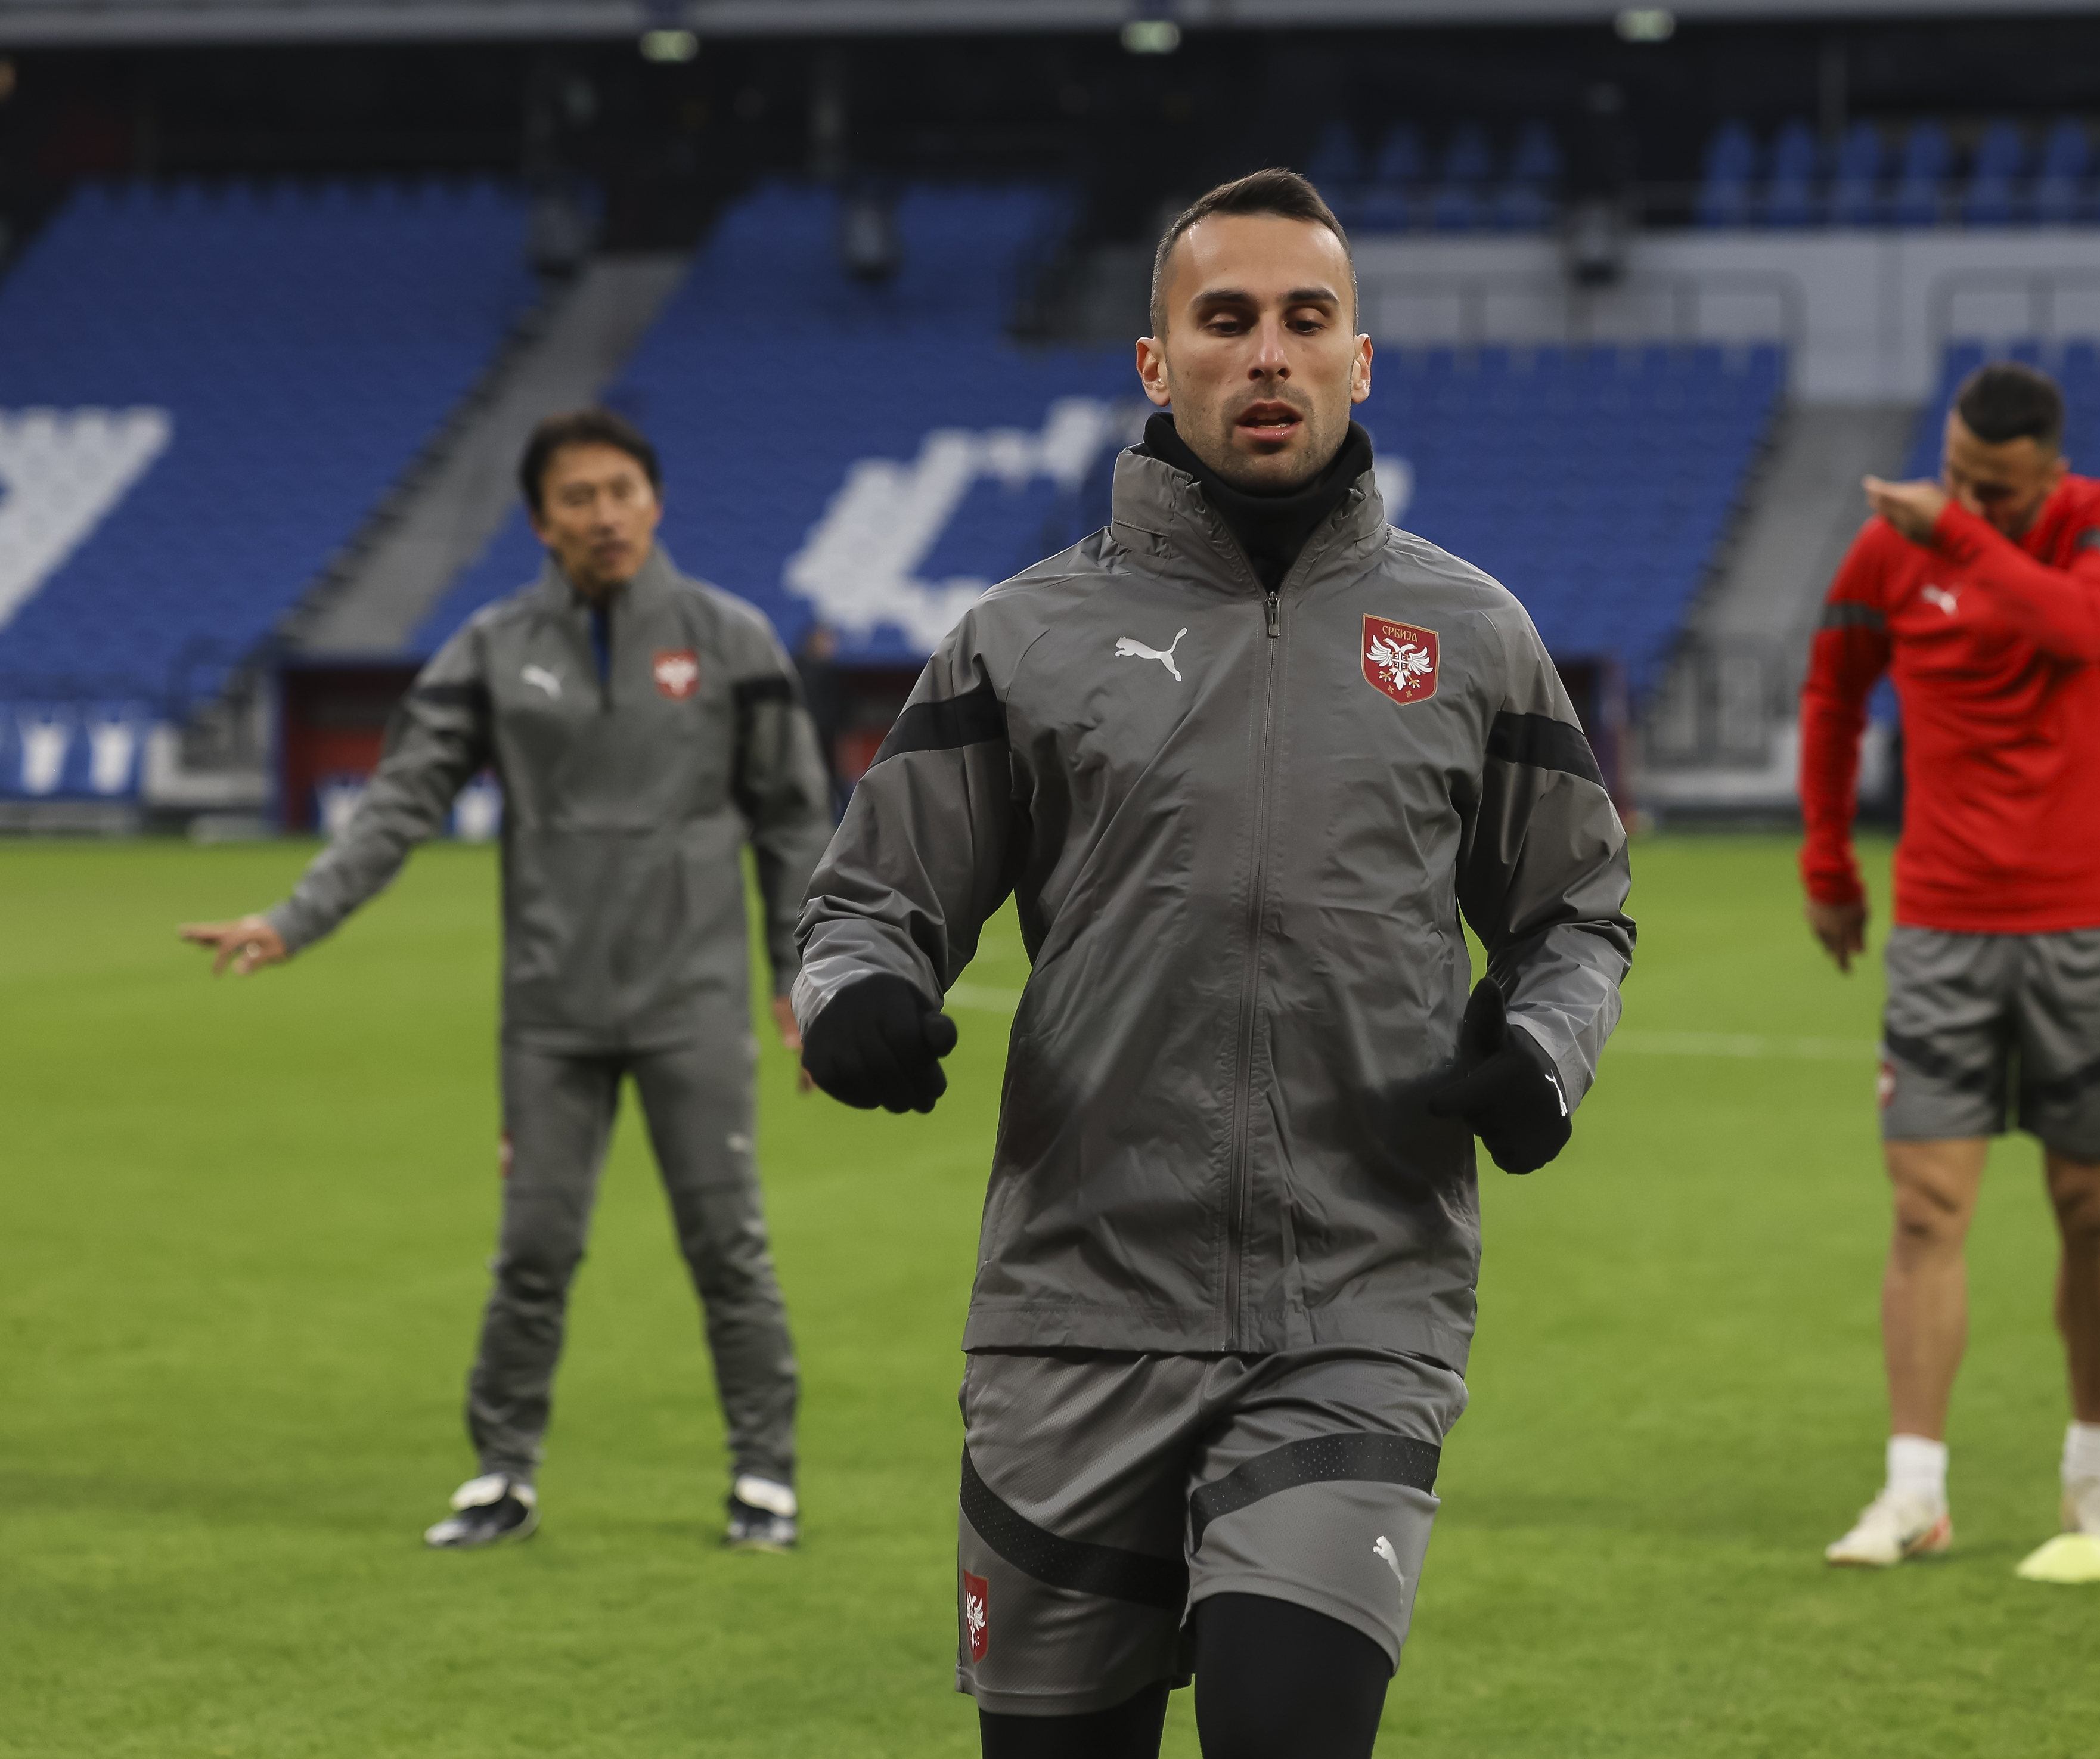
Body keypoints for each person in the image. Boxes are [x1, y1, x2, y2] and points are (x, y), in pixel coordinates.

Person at [793, 169, 1633, 1758]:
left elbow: (1574, 911)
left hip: (1354, 1301)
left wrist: (1541, 1049)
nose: (1266, 353)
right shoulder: (1021, 635)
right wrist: (857, 1001)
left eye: (1303, 320)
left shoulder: (1470, 634)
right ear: (1153, 359)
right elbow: (869, 899)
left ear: (1358, 358)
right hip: (1070, 1315)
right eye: (1224, 319)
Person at [179, 410, 832, 1552]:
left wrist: (801, 971)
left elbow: (791, 821)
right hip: (550, 1014)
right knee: (533, 1250)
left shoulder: (732, 642)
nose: (603, 513)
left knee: (727, 1247)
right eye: (577, 496)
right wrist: (294, 921)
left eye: (621, 488)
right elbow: (395, 806)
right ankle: (501, 1477)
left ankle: (764, 1479)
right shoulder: (487, 649)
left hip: (693, 1004)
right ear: (540, 520)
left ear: (655, 501)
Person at [1797, 362, 2100, 1569]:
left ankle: (2094, 1475)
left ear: (2051, 473)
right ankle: (1915, 1490)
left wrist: (1951, 527)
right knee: (1923, 1208)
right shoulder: (1888, 554)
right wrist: (1829, 860)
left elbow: (2083, 625)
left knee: (2092, 1205)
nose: (1965, 498)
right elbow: (1833, 690)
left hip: (2086, 924)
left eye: (1993, 488)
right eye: (1954, 473)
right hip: (1944, 929)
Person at [794, 620, 849, 818]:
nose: (831, 646)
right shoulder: (797, 671)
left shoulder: (831, 673)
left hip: (828, 746)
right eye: (826, 640)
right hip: (804, 744)